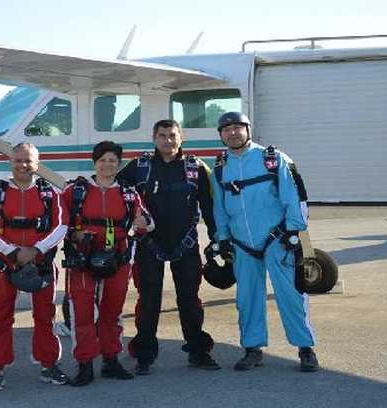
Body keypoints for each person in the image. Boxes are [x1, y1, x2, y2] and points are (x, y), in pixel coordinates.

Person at [211, 112, 319, 372]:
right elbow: (219, 208)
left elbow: (294, 197)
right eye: (226, 129)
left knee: (291, 295)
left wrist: (294, 232)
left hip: (277, 240)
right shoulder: (220, 167)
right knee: (247, 298)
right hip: (242, 244)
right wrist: (222, 238)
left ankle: (305, 348)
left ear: (248, 129)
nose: (232, 133)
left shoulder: (273, 159)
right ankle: (252, 349)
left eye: (237, 127)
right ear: (221, 135)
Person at [118, 119, 219, 375]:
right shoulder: (139, 166)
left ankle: (198, 351)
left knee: (190, 299)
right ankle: (144, 355)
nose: (168, 140)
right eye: (162, 136)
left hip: (186, 244)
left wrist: (217, 239)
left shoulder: (196, 167)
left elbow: (209, 206)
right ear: (154, 139)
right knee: (148, 300)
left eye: (173, 135)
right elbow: (117, 194)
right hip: (148, 245)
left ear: (181, 138)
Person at [0, 142, 69, 391]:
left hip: (41, 265)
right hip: (4, 266)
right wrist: (12, 251)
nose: (23, 165)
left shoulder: (50, 194)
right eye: (18, 160)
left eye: (28, 161)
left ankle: (49, 365)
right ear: (11, 162)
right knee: (1, 317)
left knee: (45, 316)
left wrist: (36, 250)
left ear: (37, 164)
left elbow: (61, 226)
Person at [61, 141, 153, 386]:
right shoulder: (75, 191)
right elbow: (58, 222)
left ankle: (111, 360)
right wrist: (74, 234)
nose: (107, 165)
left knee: (112, 312)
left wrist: (142, 225)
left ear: (119, 164)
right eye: (102, 160)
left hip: (117, 260)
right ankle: (85, 365)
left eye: (112, 161)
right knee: (82, 313)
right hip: (82, 259)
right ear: (95, 163)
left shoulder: (128, 193)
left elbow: (147, 222)